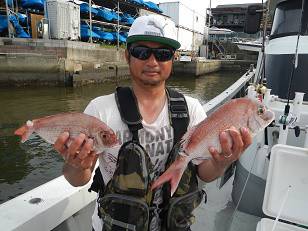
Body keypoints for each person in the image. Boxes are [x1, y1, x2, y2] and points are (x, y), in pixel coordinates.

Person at [54, 14, 252, 231]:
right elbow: (79, 179)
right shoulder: (100, 110)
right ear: (127, 55)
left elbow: (204, 172)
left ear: (173, 58)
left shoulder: (191, 109)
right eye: (141, 52)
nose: (152, 61)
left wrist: (223, 161)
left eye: (162, 53)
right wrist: (74, 164)